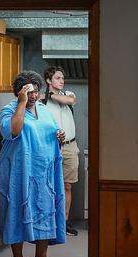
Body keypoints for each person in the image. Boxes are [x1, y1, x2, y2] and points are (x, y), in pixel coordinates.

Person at [0, 70, 66, 257]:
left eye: (35, 91)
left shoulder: (44, 111)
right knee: (17, 209)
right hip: (19, 171)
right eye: (28, 92)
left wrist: (59, 138)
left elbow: (50, 133)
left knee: (45, 208)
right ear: (18, 93)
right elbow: (13, 131)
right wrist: (21, 103)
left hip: (43, 172)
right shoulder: (8, 110)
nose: (33, 96)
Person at [42, 66, 80, 236]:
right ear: (49, 80)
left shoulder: (68, 94)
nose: (62, 81)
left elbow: (70, 102)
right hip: (50, 147)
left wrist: (49, 94)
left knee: (67, 185)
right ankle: (50, 222)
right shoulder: (41, 102)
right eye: (58, 78)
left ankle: (63, 223)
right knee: (48, 185)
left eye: (63, 78)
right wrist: (45, 96)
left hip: (70, 146)